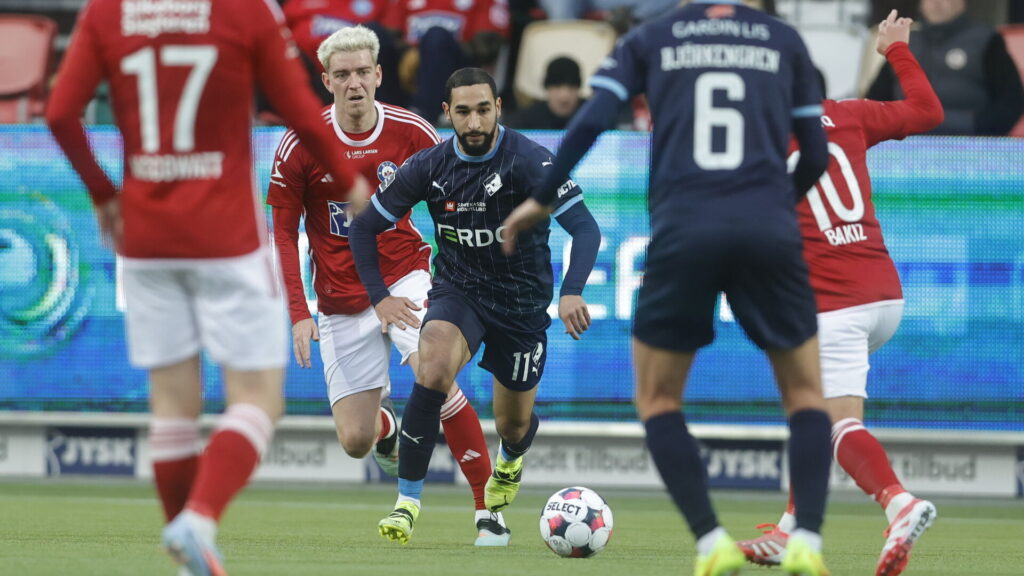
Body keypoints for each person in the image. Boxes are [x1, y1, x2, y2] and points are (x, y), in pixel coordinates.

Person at [501, 1, 833, 575]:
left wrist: (542, 196)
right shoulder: (785, 41)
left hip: (683, 231)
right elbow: (817, 155)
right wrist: (774, 209)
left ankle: (711, 543)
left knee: (658, 400)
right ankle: (806, 540)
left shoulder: (653, 38)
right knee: (805, 395)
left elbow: (592, 119)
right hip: (768, 230)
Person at [45, 0, 369, 574]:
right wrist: (350, 181)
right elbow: (299, 109)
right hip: (227, 239)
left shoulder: (107, 11)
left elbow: (60, 113)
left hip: (145, 238)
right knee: (259, 398)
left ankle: (185, 556)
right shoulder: (245, 11)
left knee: (172, 406)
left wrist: (103, 194)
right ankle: (198, 520)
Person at [267, 25, 506, 545]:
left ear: (378, 75)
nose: (353, 84)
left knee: (434, 372)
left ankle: (487, 510)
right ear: (326, 81)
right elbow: (283, 234)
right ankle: (388, 428)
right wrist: (299, 313)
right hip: (339, 299)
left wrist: (460, 283)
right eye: (342, 75)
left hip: (404, 279)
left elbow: (453, 206)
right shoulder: (299, 142)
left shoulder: (412, 131)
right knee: (355, 440)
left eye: (362, 73)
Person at [349, 67, 601, 544]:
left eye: (484, 110)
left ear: (498, 107)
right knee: (432, 367)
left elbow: (586, 229)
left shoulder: (531, 161)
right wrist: (379, 297)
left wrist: (572, 290)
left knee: (513, 424)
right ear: (447, 113)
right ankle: (406, 503)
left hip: (521, 305)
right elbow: (363, 227)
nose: (475, 122)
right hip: (459, 291)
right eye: (463, 112)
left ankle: (510, 460)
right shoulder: (429, 166)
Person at [736, 11, 942, 576]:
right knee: (808, 411)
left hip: (835, 307)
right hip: (884, 294)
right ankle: (789, 530)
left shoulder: (758, 142)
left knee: (834, 425)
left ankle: (899, 504)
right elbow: (929, 111)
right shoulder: (849, 114)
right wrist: (896, 50)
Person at [866, 0, 1024, 135]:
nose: (936, 3)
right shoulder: (904, 43)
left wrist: (978, 129)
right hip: (902, 146)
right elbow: (875, 101)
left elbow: (1011, 101)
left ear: (962, 3)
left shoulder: (986, 40)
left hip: (970, 147)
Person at [382, 0, 510, 124]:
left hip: (458, 70)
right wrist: (410, 51)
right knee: (376, 38)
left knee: (436, 37)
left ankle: (423, 114)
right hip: (409, 68)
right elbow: (390, 34)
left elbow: (487, 48)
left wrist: (436, 48)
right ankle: (383, 113)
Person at [507, 56, 585, 130]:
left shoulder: (589, 116)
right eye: (557, 86)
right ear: (547, 88)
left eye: (571, 88)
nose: (564, 96)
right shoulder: (525, 120)